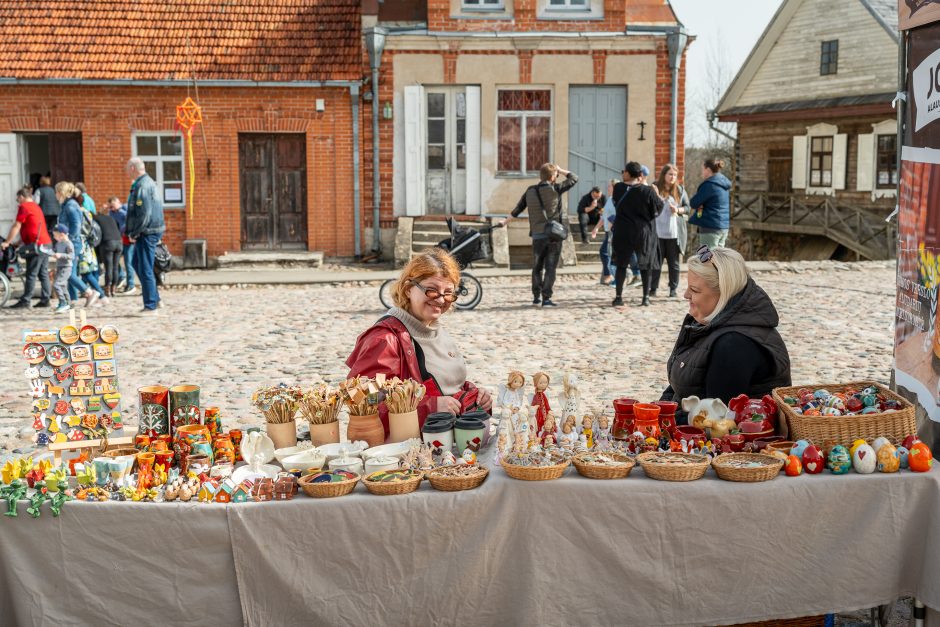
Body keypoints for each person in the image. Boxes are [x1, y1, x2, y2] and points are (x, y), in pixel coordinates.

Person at [345, 248, 493, 436]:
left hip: (446, 441)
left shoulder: (436, 329)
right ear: (408, 289)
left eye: (448, 293)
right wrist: (430, 406)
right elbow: (364, 399)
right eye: (431, 291)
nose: (440, 300)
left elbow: (446, 385)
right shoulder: (384, 339)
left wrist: (474, 394)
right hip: (408, 451)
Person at [659, 246, 791, 410]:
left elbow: (715, 420)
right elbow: (680, 386)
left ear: (723, 293)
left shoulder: (735, 344)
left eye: (694, 290)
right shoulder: (705, 322)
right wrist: (656, 410)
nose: (686, 295)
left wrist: (662, 419)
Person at [500, 163, 578, 307]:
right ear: (553, 176)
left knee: (537, 267)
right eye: (555, 174)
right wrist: (560, 170)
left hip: (537, 236)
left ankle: (536, 298)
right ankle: (546, 299)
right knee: (550, 268)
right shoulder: (556, 188)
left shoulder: (530, 191)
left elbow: (518, 208)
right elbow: (574, 177)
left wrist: (505, 221)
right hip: (553, 235)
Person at [611, 161, 664, 307]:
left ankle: (618, 297)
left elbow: (616, 203)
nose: (622, 173)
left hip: (623, 231)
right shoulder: (648, 191)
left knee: (621, 264)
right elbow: (658, 209)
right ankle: (645, 298)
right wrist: (656, 194)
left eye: (624, 171)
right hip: (643, 231)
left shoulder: (618, 188)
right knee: (645, 265)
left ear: (628, 173)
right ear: (640, 175)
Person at [125, 157, 165, 313]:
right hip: (148, 230)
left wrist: (135, 232)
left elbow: (144, 213)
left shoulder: (143, 185)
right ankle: (155, 298)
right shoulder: (146, 183)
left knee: (145, 267)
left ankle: (150, 305)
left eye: (128, 168)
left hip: (147, 232)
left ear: (133, 168)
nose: (127, 172)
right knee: (136, 263)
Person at [1, 187, 51, 308]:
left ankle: (25, 300)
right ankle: (45, 299)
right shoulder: (36, 207)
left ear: (22, 197)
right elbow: (31, 227)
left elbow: (17, 226)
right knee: (43, 273)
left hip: (37, 246)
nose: (17, 201)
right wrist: (20, 241)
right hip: (45, 243)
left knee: (31, 274)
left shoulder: (24, 207)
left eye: (18, 198)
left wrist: (7, 242)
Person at [55, 182, 99, 308]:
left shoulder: (70, 206)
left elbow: (76, 225)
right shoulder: (66, 205)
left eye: (57, 192)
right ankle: (72, 299)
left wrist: (68, 240)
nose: (55, 194)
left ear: (62, 193)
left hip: (72, 244)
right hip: (69, 242)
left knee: (68, 273)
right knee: (69, 272)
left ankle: (89, 292)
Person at [650, 164, 690, 298]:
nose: (672, 177)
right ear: (664, 175)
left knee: (674, 264)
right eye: (670, 174)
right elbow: (647, 204)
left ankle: (673, 288)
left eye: (674, 175)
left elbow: (687, 208)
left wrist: (678, 210)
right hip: (657, 232)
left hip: (674, 233)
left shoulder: (680, 190)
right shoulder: (655, 187)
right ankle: (653, 288)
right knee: (656, 263)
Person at [73, 187, 107, 304]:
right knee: (90, 271)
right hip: (89, 244)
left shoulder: (77, 212)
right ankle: (98, 296)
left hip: (82, 245)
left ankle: (100, 295)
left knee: (86, 273)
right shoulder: (87, 211)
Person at [689, 158, 731, 249]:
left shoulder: (709, 184)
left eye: (702, 169)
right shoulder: (724, 184)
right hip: (723, 227)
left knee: (705, 258)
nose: (702, 172)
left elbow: (693, 203)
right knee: (719, 258)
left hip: (710, 227)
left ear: (708, 170)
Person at [590, 179, 618, 285]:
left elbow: (617, 216)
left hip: (614, 232)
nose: (608, 188)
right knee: (608, 254)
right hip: (608, 232)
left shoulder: (617, 200)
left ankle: (610, 275)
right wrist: (596, 228)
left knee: (605, 253)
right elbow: (603, 217)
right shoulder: (610, 199)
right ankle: (612, 277)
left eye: (610, 186)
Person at [94, 201, 123, 298]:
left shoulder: (97, 218)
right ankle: (113, 289)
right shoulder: (112, 218)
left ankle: (107, 289)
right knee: (115, 267)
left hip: (108, 243)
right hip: (119, 242)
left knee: (108, 268)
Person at [50, 224, 74, 313]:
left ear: (62, 234)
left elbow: (71, 256)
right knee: (62, 285)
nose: (54, 237)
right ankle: (68, 303)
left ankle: (63, 303)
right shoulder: (58, 243)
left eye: (55, 235)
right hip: (59, 266)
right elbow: (56, 251)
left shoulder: (68, 244)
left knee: (57, 284)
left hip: (66, 267)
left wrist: (61, 255)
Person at [35, 176, 60, 240]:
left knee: (43, 229)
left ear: (41, 182)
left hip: (44, 213)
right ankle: (52, 242)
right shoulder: (54, 190)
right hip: (55, 212)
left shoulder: (39, 190)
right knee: (52, 229)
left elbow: (36, 202)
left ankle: (45, 242)